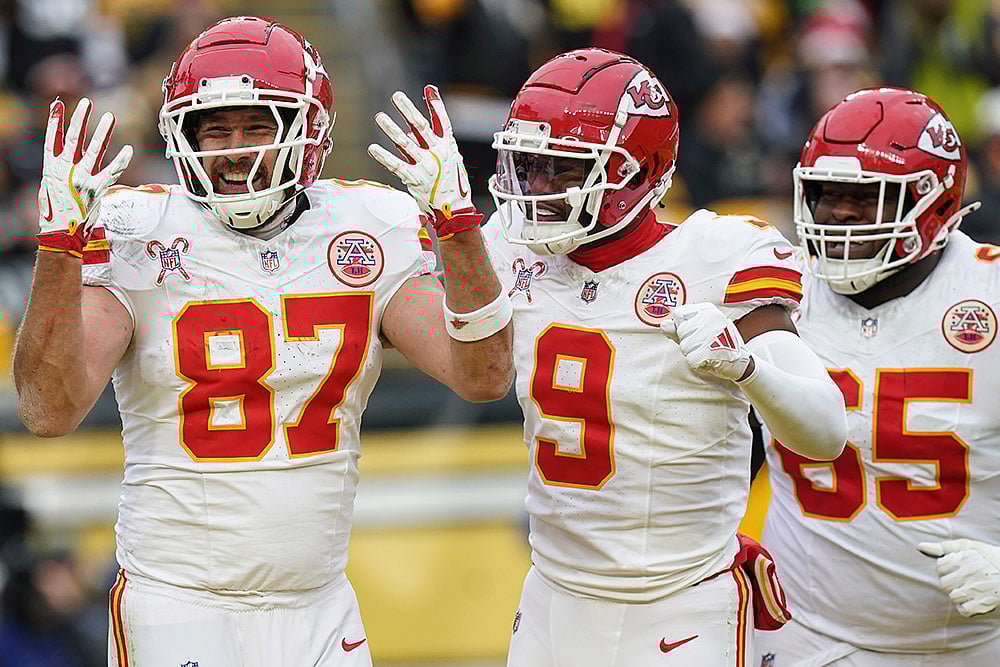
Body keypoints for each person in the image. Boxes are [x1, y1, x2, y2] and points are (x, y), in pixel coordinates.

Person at [12, 16, 512, 667]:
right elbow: (48, 408)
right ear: (182, 135)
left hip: (320, 602)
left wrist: (459, 226)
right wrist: (59, 251)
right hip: (180, 602)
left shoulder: (367, 228)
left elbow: (484, 376)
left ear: (307, 132)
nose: (235, 147)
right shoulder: (139, 230)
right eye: (214, 128)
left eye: (257, 125)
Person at [370, 48, 848, 666]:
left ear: (639, 172)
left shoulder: (717, 254)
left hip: (682, 603)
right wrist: (453, 225)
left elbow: (827, 432)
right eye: (529, 165)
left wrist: (750, 372)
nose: (536, 188)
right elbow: (470, 365)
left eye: (562, 170)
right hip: (552, 597)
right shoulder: (503, 249)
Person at [755, 87, 1000, 666]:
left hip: (967, 646)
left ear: (933, 204)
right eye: (826, 195)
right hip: (801, 635)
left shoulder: (990, 294)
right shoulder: (771, 288)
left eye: (866, 200)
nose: (838, 213)